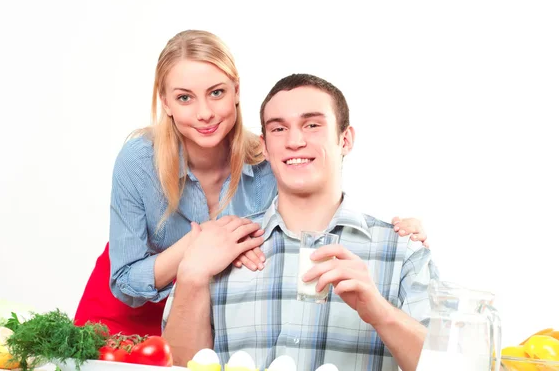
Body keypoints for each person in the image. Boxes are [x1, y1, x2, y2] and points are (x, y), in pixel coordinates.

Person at [74, 30, 430, 337]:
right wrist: (203, 243)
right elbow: (124, 282)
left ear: (236, 91)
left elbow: (316, 205)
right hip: (127, 308)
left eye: (216, 93)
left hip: (210, 311)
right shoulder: (138, 161)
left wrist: (394, 233)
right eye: (185, 97)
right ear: (165, 102)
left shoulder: (268, 159)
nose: (204, 113)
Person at [162, 73, 439, 371]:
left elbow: (445, 366)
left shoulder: (402, 253)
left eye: (312, 125)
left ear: (345, 140)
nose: (295, 141)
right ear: (265, 147)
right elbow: (171, 366)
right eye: (279, 129)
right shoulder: (217, 248)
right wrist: (191, 276)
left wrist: (380, 312)